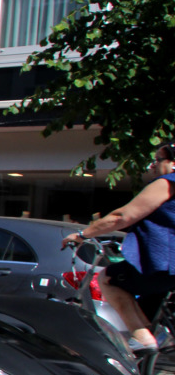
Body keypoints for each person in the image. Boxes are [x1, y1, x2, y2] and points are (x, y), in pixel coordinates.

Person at [63, 141, 175, 351]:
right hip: (168, 270)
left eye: (158, 160)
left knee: (108, 279)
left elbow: (122, 216)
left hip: (166, 264)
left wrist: (82, 234)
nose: (152, 165)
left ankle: (144, 336)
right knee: (147, 300)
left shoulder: (167, 183)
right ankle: (155, 336)